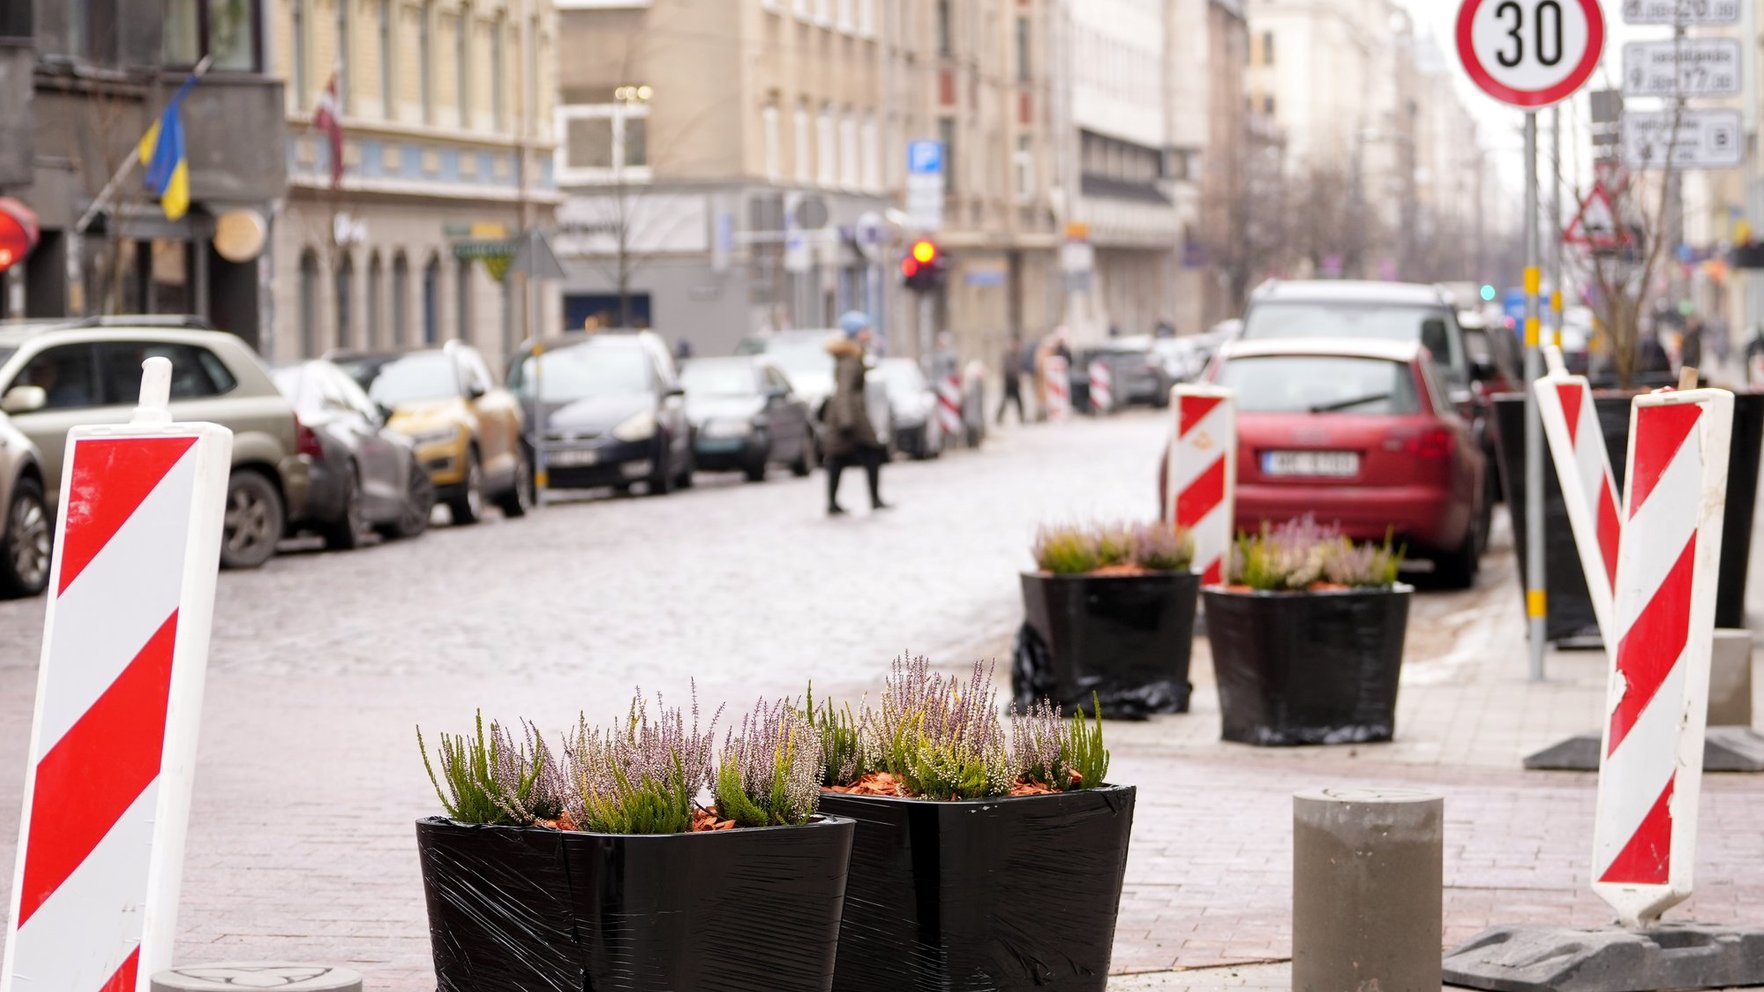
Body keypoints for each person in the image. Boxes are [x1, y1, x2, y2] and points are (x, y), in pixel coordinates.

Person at [824, 311, 890, 516]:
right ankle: (869, 500)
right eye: (865, 330)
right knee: (864, 455)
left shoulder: (855, 355)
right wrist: (846, 420)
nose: (869, 333)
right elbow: (843, 391)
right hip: (850, 416)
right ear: (856, 333)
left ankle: (837, 502)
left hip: (850, 415)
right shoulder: (849, 359)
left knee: (840, 460)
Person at [997, 331, 1026, 425]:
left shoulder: (1017, 355)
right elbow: (1008, 369)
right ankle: (998, 417)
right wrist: (1016, 376)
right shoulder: (1008, 355)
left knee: (1019, 402)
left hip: (1015, 383)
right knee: (1005, 401)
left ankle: (1022, 417)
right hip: (1009, 383)